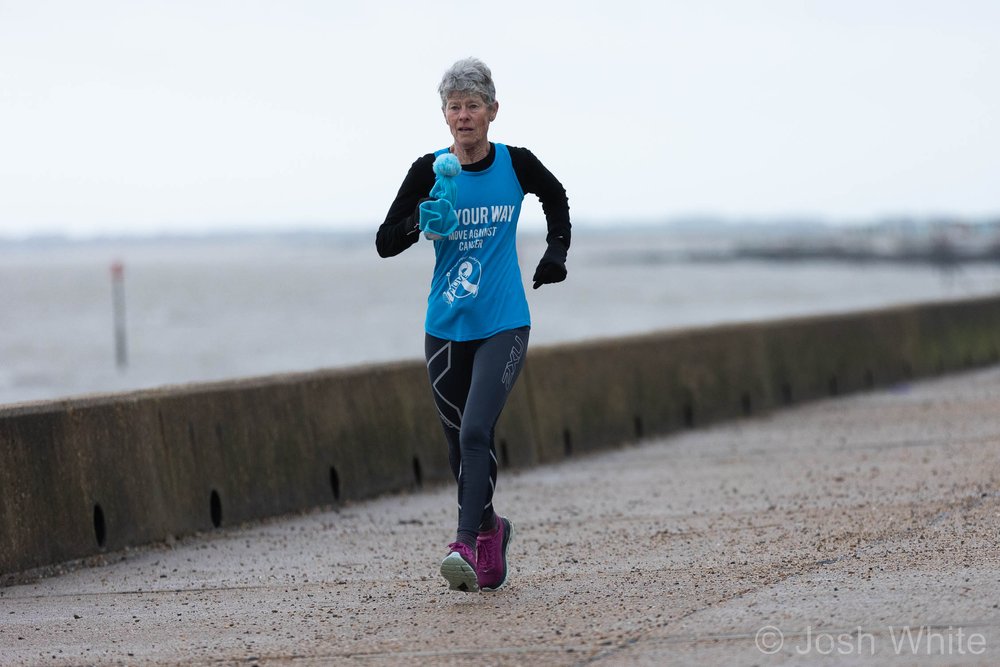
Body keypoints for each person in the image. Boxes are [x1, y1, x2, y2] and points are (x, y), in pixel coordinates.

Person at [376, 57, 571, 592]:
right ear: (445, 115)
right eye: (454, 107)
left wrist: (556, 252)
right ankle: (491, 529)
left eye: (473, 106)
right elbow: (384, 241)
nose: (464, 116)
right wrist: (422, 221)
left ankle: (462, 542)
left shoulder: (516, 164)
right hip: (444, 326)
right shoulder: (429, 170)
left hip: (504, 321)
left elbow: (556, 198)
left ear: (492, 112)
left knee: (478, 430)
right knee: (458, 443)